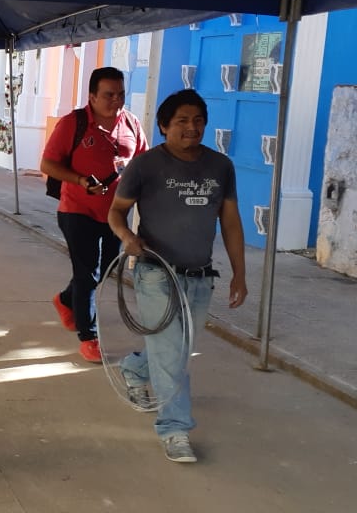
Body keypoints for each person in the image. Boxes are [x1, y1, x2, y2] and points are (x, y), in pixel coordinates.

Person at [108, 88, 247, 464]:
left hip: (200, 275)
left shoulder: (221, 166)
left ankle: (135, 368)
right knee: (172, 355)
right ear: (164, 125)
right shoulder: (145, 165)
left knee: (177, 351)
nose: (192, 128)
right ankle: (175, 429)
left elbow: (231, 222)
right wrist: (127, 236)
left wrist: (239, 274)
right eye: (182, 121)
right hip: (156, 273)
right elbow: (116, 212)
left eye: (198, 120)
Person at [40, 67, 147, 363]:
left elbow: (142, 163)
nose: (116, 100)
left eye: (121, 94)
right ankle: (89, 338)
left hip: (115, 215)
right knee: (87, 273)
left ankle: (64, 300)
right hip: (77, 210)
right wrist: (81, 181)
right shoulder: (73, 123)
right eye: (109, 95)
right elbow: (48, 164)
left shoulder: (132, 124)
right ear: (92, 96)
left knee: (104, 270)